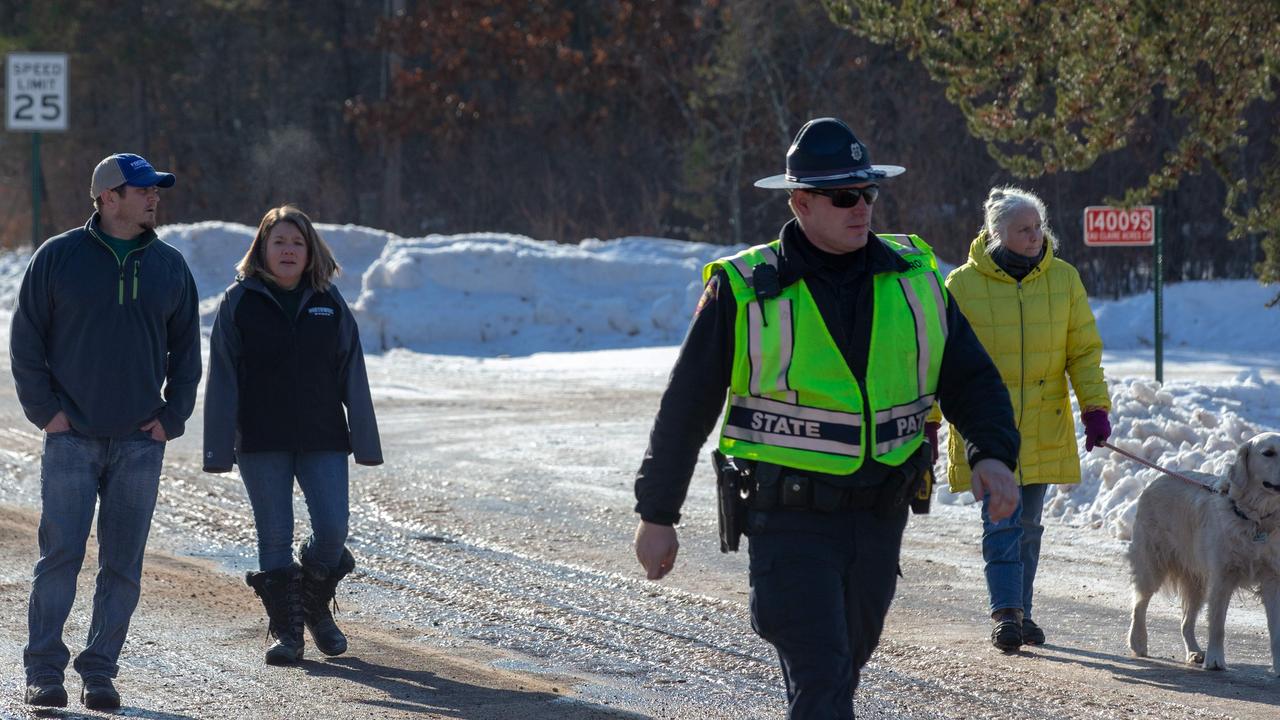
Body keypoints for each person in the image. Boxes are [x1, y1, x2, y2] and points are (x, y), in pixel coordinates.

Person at [633, 117, 1021, 719]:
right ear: (801, 203)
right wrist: (657, 514)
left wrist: (992, 453)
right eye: (844, 196)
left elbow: (970, 377)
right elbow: (685, 407)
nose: (861, 207)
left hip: (878, 516)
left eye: (867, 193)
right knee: (821, 675)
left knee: (843, 667)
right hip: (788, 520)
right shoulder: (746, 289)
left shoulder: (916, 278)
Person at [10, 153, 200, 710]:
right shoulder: (58, 257)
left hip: (141, 443)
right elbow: (26, 342)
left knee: (123, 565)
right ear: (108, 197)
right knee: (60, 557)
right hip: (71, 438)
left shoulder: (169, 266)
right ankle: (44, 670)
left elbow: (187, 351)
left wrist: (172, 417)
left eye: (155, 189)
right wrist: (47, 413)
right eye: (142, 189)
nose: (154, 197)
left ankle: (99, 670)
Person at [929, 186, 1111, 651]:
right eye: (1024, 230)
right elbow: (935, 358)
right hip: (985, 428)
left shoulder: (1064, 279)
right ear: (997, 234)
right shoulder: (961, 286)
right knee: (1001, 520)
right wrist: (929, 420)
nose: (1035, 236)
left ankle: (1022, 611)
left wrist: (1095, 408)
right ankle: (1006, 613)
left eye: (1039, 227)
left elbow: (1083, 351)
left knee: (1028, 525)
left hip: (1044, 422)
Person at [203, 204, 382, 665]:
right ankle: (290, 633)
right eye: (278, 241)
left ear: (310, 252)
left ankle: (314, 600)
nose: (287, 250)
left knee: (332, 529)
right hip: (261, 439)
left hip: (323, 435)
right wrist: (219, 448)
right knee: (274, 537)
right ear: (262, 248)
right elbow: (222, 378)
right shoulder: (238, 302)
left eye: (297, 243)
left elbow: (352, 373)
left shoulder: (329, 301)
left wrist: (365, 441)